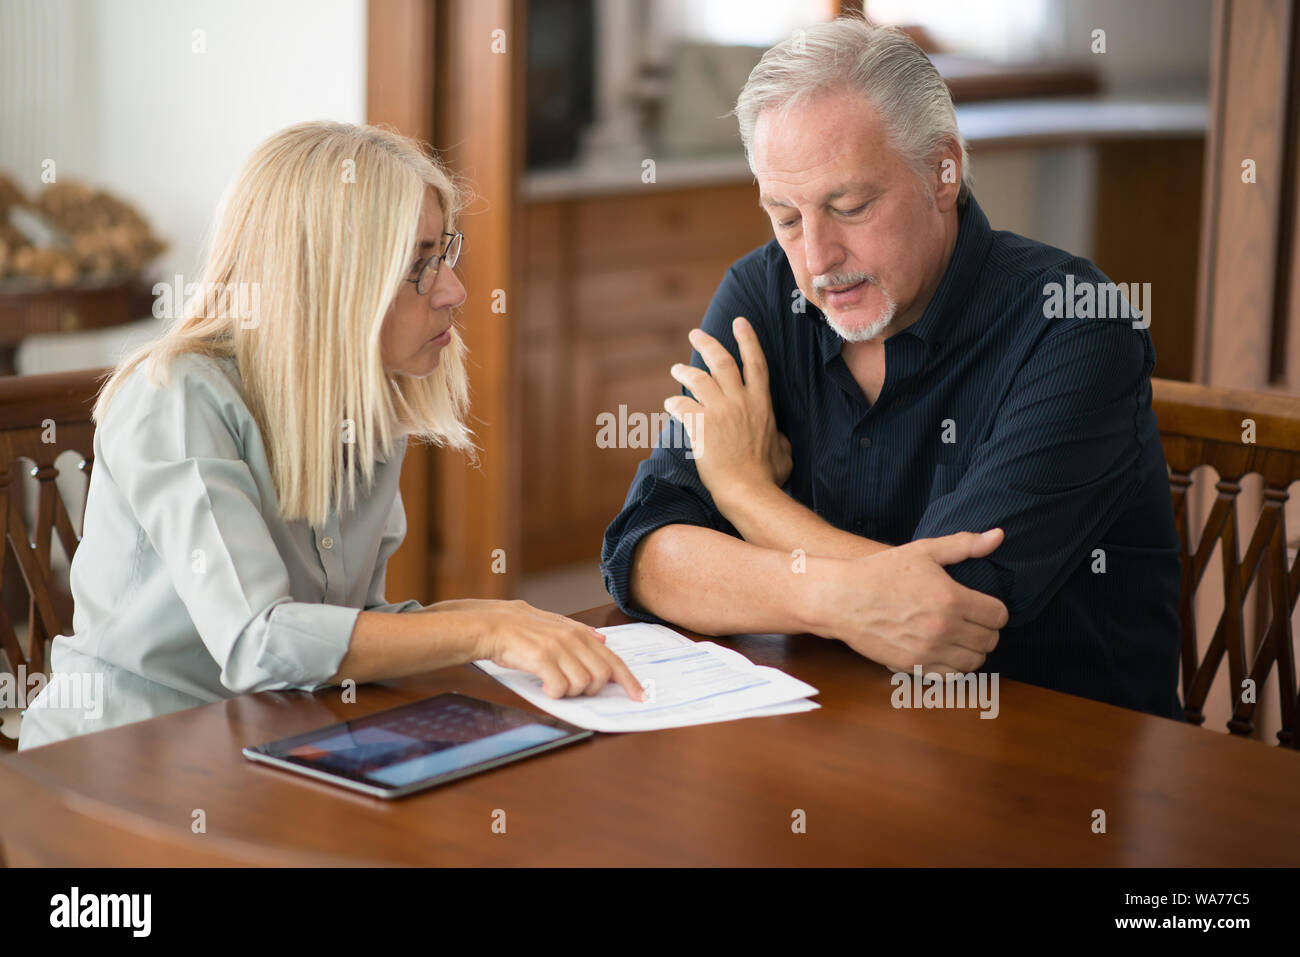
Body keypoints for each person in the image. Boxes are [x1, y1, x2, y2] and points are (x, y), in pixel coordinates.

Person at [601, 19, 1182, 719]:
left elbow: (946, 613)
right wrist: (830, 597)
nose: (816, 260)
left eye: (850, 207)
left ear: (944, 171)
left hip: (1058, 763)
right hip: (838, 737)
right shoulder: (762, 295)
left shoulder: (1079, 324)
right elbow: (644, 553)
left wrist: (745, 496)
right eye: (785, 217)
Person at [20, 121, 641, 749]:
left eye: (443, 253)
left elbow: (337, 633)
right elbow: (258, 641)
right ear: (323, 277)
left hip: (268, 741)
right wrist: (484, 632)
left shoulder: (364, 401)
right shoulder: (177, 396)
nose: (454, 290)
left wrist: (496, 617)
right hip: (119, 760)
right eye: (417, 264)